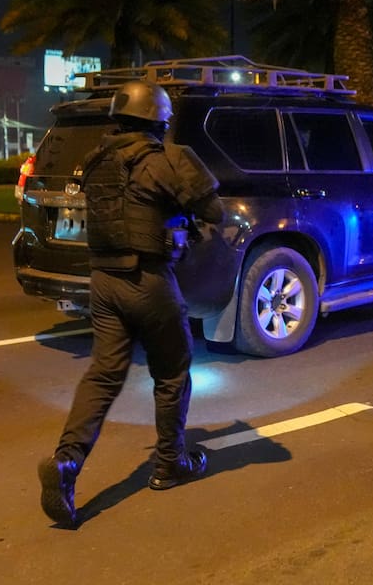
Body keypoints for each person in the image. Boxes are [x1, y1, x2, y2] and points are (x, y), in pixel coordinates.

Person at [38, 80, 224, 528]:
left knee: (103, 375)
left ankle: (67, 462)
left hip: (102, 281)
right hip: (147, 281)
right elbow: (214, 210)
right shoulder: (168, 158)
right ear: (159, 119)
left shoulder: (97, 159)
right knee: (173, 371)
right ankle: (168, 464)